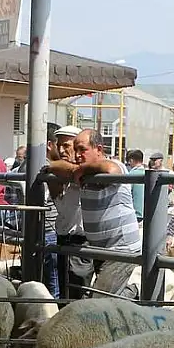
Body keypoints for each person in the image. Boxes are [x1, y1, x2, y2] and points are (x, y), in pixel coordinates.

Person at [45, 128, 142, 298]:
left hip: (119, 249)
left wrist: (80, 170)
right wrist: (71, 169)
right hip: (101, 251)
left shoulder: (114, 165)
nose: (77, 155)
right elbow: (60, 167)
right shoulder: (83, 174)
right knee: (99, 300)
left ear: (99, 149)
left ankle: (134, 295)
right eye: (75, 150)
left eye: (82, 149)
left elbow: (111, 170)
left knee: (101, 303)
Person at [48, 125, 93, 299]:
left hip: (79, 242)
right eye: (59, 145)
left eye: (67, 146)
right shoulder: (60, 172)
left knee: (76, 295)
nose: (61, 150)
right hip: (64, 239)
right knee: (66, 294)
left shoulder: (85, 172)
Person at [124, 149, 146, 222]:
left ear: (131, 160)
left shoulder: (131, 175)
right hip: (147, 213)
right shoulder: (148, 174)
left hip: (135, 214)